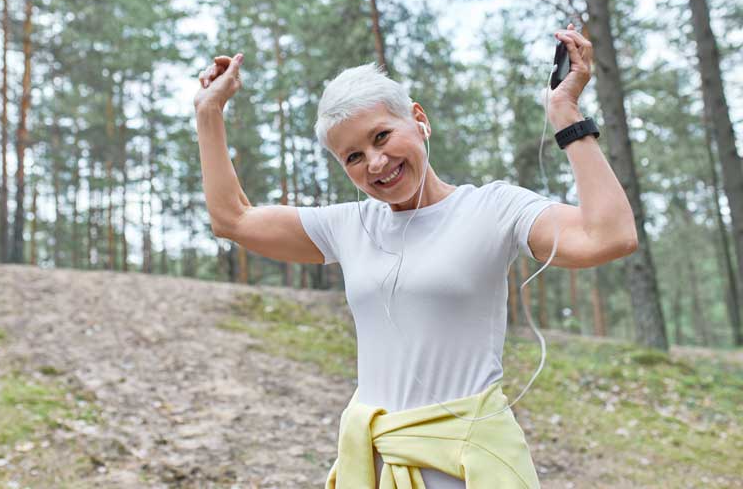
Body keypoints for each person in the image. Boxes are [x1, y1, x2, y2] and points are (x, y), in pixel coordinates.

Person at [194, 25, 638, 488]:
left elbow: (609, 236)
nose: (376, 163)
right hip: (376, 468)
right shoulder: (349, 226)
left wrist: (567, 114)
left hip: (468, 470)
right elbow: (233, 219)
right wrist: (209, 112)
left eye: (382, 136)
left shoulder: (493, 207)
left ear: (419, 120)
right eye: (354, 157)